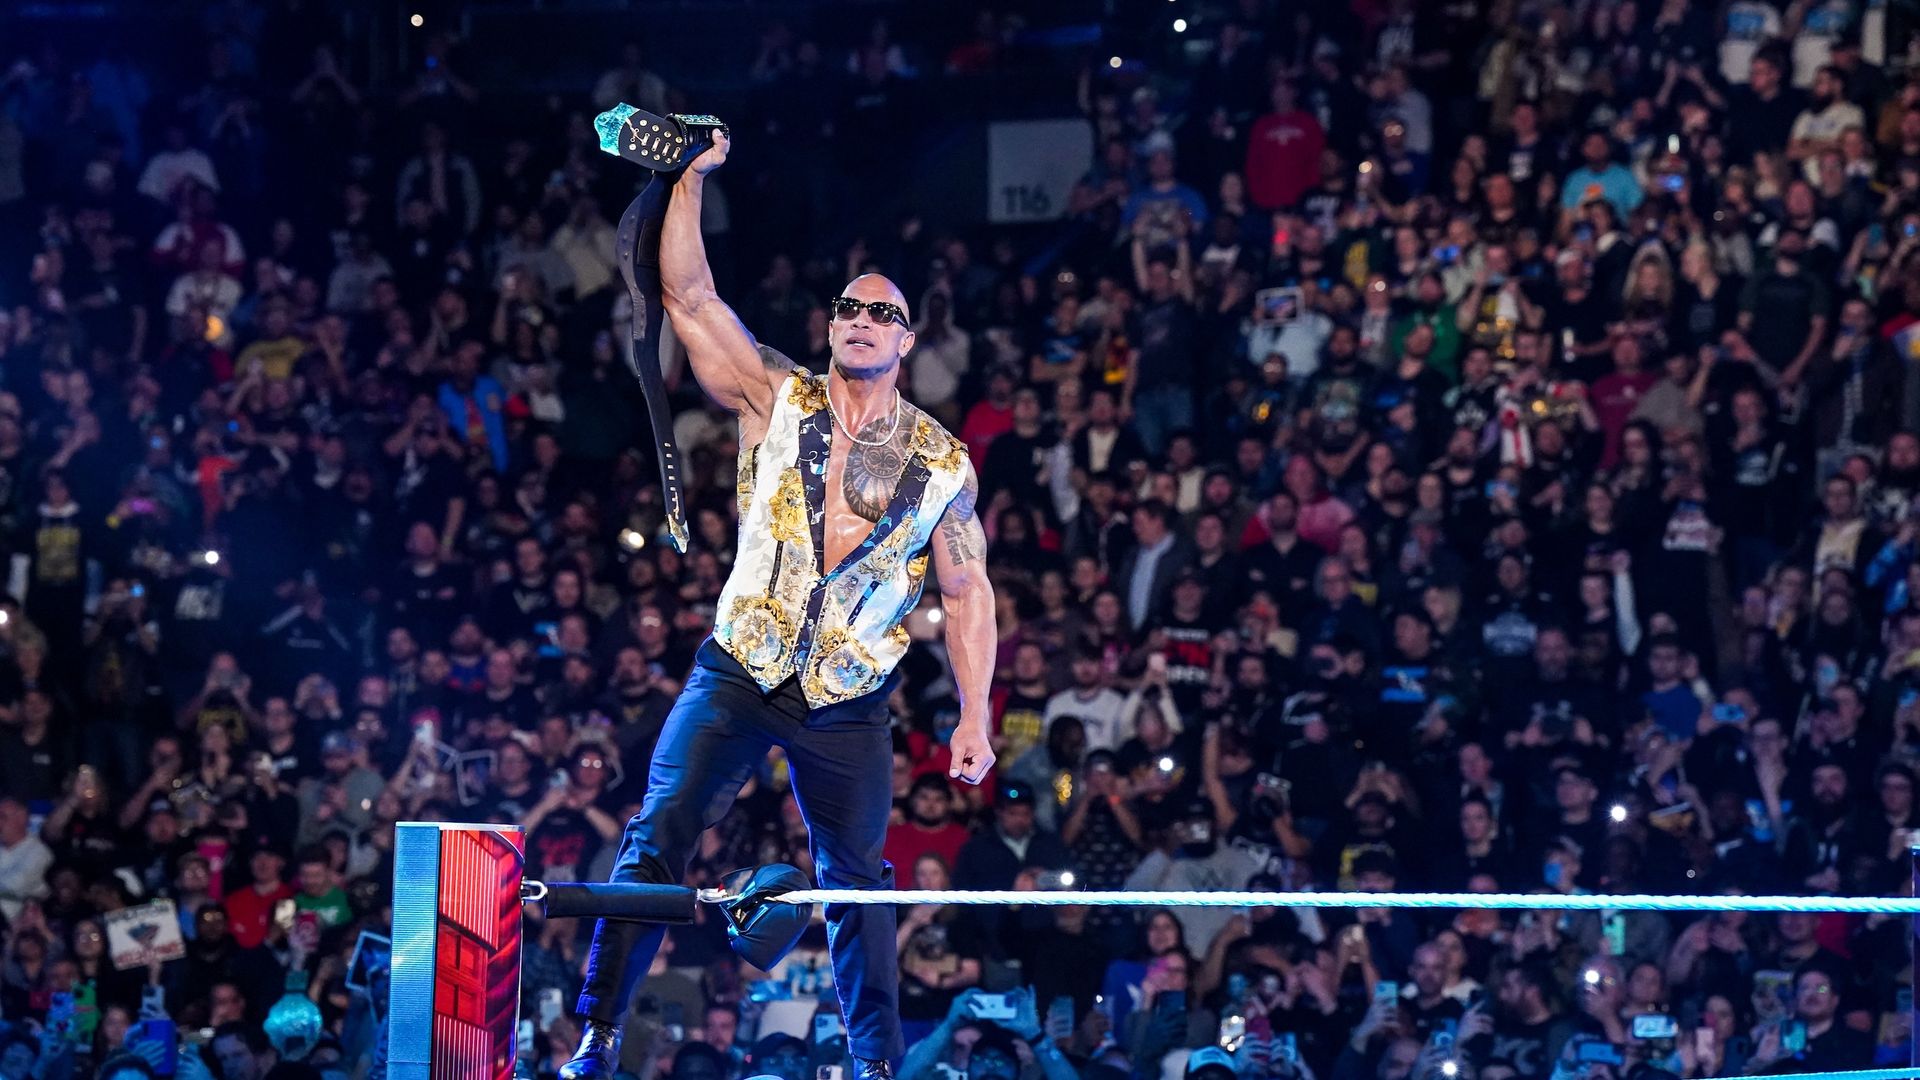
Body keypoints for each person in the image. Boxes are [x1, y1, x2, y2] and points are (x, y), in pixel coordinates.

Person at [562, 128, 999, 1080]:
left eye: (881, 313)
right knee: (658, 832)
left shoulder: (942, 465)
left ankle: (874, 1064)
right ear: (831, 324)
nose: (860, 320)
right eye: (848, 307)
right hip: (741, 668)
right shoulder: (776, 397)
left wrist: (975, 714)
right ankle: (598, 1033)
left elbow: (967, 590)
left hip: (848, 696)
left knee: (859, 882)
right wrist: (688, 178)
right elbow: (689, 296)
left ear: (907, 338)